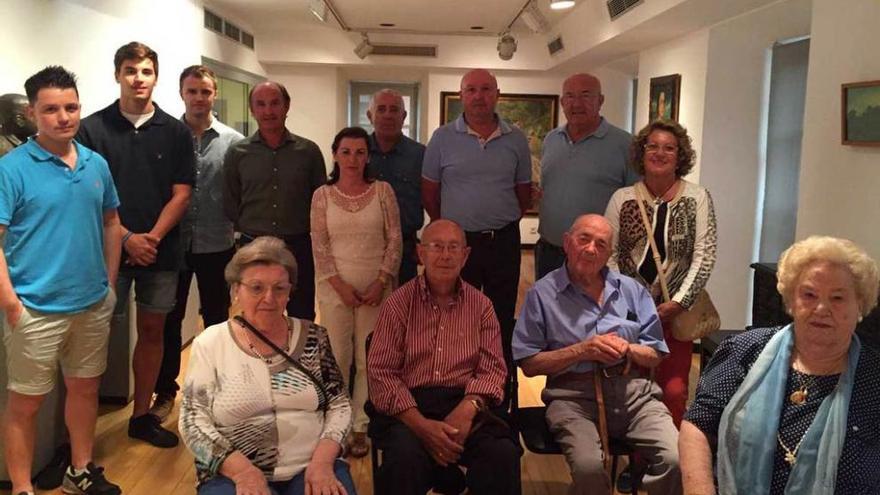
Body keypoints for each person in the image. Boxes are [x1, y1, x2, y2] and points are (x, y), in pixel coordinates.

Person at [1, 66, 122, 495]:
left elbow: (111, 223)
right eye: (51, 109)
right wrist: (12, 305)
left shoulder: (96, 164)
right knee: (25, 404)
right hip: (34, 308)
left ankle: (80, 470)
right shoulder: (11, 169)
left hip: (90, 304)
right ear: (33, 113)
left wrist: (108, 283)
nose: (63, 117)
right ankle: (21, 487)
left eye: (71, 107)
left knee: (85, 390)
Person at [680, 236, 880, 494]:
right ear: (790, 301)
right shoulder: (744, 350)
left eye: (838, 298)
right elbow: (698, 425)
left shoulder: (874, 376)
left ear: (860, 305)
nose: (821, 308)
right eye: (809, 294)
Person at [77, 41, 195, 448]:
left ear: (155, 77)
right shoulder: (91, 129)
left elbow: (182, 193)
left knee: (153, 330)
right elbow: (86, 194)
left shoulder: (176, 131)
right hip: (105, 251)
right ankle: (78, 432)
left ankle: (141, 416)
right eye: (130, 70)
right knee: (93, 336)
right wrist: (125, 238)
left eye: (145, 71)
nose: (138, 78)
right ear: (117, 75)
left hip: (160, 251)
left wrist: (151, 239)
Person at [512, 214, 680, 495]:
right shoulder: (542, 294)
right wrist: (583, 350)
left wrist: (629, 348)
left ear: (609, 254)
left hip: (635, 395)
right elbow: (528, 364)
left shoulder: (632, 291)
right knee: (590, 469)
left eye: (601, 245)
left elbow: (656, 353)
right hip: (572, 398)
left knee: (676, 458)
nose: (591, 249)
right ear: (567, 243)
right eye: (584, 239)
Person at [179, 236, 355, 495]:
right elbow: (192, 420)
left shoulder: (313, 337)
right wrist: (243, 472)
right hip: (233, 471)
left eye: (279, 289)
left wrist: (322, 462)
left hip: (312, 464)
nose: (269, 298)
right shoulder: (211, 342)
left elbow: (339, 404)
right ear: (236, 290)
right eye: (256, 288)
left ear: (289, 293)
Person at [367, 219, 521, 495]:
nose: (446, 255)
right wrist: (423, 427)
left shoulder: (482, 306)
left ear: (466, 256)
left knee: (501, 453)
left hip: (466, 402)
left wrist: (468, 408)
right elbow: (381, 372)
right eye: (437, 246)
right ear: (421, 253)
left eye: (454, 247)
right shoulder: (398, 304)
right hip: (410, 406)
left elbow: (493, 369)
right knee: (404, 458)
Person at [604, 119, 717, 427]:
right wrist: (630, 303)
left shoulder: (697, 198)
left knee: (674, 391)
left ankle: (668, 465)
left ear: (680, 156)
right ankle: (638, 462)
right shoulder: (622, 198)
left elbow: (704, 255)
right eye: (652, 146)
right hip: (631, 315)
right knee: (634, 389)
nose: (659, 153)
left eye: (669, 148)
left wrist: (678, 302)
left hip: (675, 314)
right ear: (641, 152)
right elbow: (609, 255)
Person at [149, 65, 245, 421]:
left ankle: (220, 388)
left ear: (214, 94)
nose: (199, 98)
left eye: (205, 92)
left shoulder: (233, 142)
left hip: (216, 241)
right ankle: (165, 392)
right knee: (169, 320)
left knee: (218, 319)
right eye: (192, 91)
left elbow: (237, 190)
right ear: (181, 94)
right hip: (172, 243)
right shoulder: (167, 136)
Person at [422, 68, 532, 367]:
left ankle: (498, 382)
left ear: (497, 95)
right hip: (458, 245)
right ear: (461, 97)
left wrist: (501, 217)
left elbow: (524, 193)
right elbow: (430, 191)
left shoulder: (516, 139)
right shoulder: (442, 138)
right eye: (471, 90)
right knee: (455, 311)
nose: (479, 96)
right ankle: (456, 373)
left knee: (500, 314)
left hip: (503, 241)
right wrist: (448, 226)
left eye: (486, 89)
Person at [310, 126, 402, 457]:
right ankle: (338, 424)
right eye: (346, 152)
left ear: (368, 156)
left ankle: (362, 424)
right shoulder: (322, 195)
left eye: (360, 152)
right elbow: (319, 245)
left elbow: (394, 238)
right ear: (335, 154)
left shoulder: (383, 191)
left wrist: (381, 281)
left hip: (376, 289)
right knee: (337, 357)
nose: (353, 158)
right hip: (335, 289)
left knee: (369, 359)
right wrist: (340, 286)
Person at [223, 81, 326, 321]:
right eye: (261, 104)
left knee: (302, 314)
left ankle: (301, 360)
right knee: (256, 312)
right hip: (253, 247)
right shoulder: (238, 153)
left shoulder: (308, 152)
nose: (268, 111)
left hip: (298, 246)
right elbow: (230, 200)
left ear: (286, 106)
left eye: (274, 103)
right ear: (252, 109)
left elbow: (320, 202)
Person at [535, 73, 638, 280]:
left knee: (592, 312)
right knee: (548, 310)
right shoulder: (551, 140)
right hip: (550, 250)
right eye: (570, 97)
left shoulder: (626, 145)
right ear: (563, 102)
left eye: (585, 96)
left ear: (600, 101)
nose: (576, 104)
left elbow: (635, 206)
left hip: (595, 256)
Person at [367, 89, 425, 285]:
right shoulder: (357, 152)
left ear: (404, 116)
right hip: (363, 248)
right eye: (381, 109)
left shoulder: (420, 155)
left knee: (404, 309)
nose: (388, 115)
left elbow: (434, 199)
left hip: (405, 250)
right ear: (370, 116)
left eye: (394, 109)